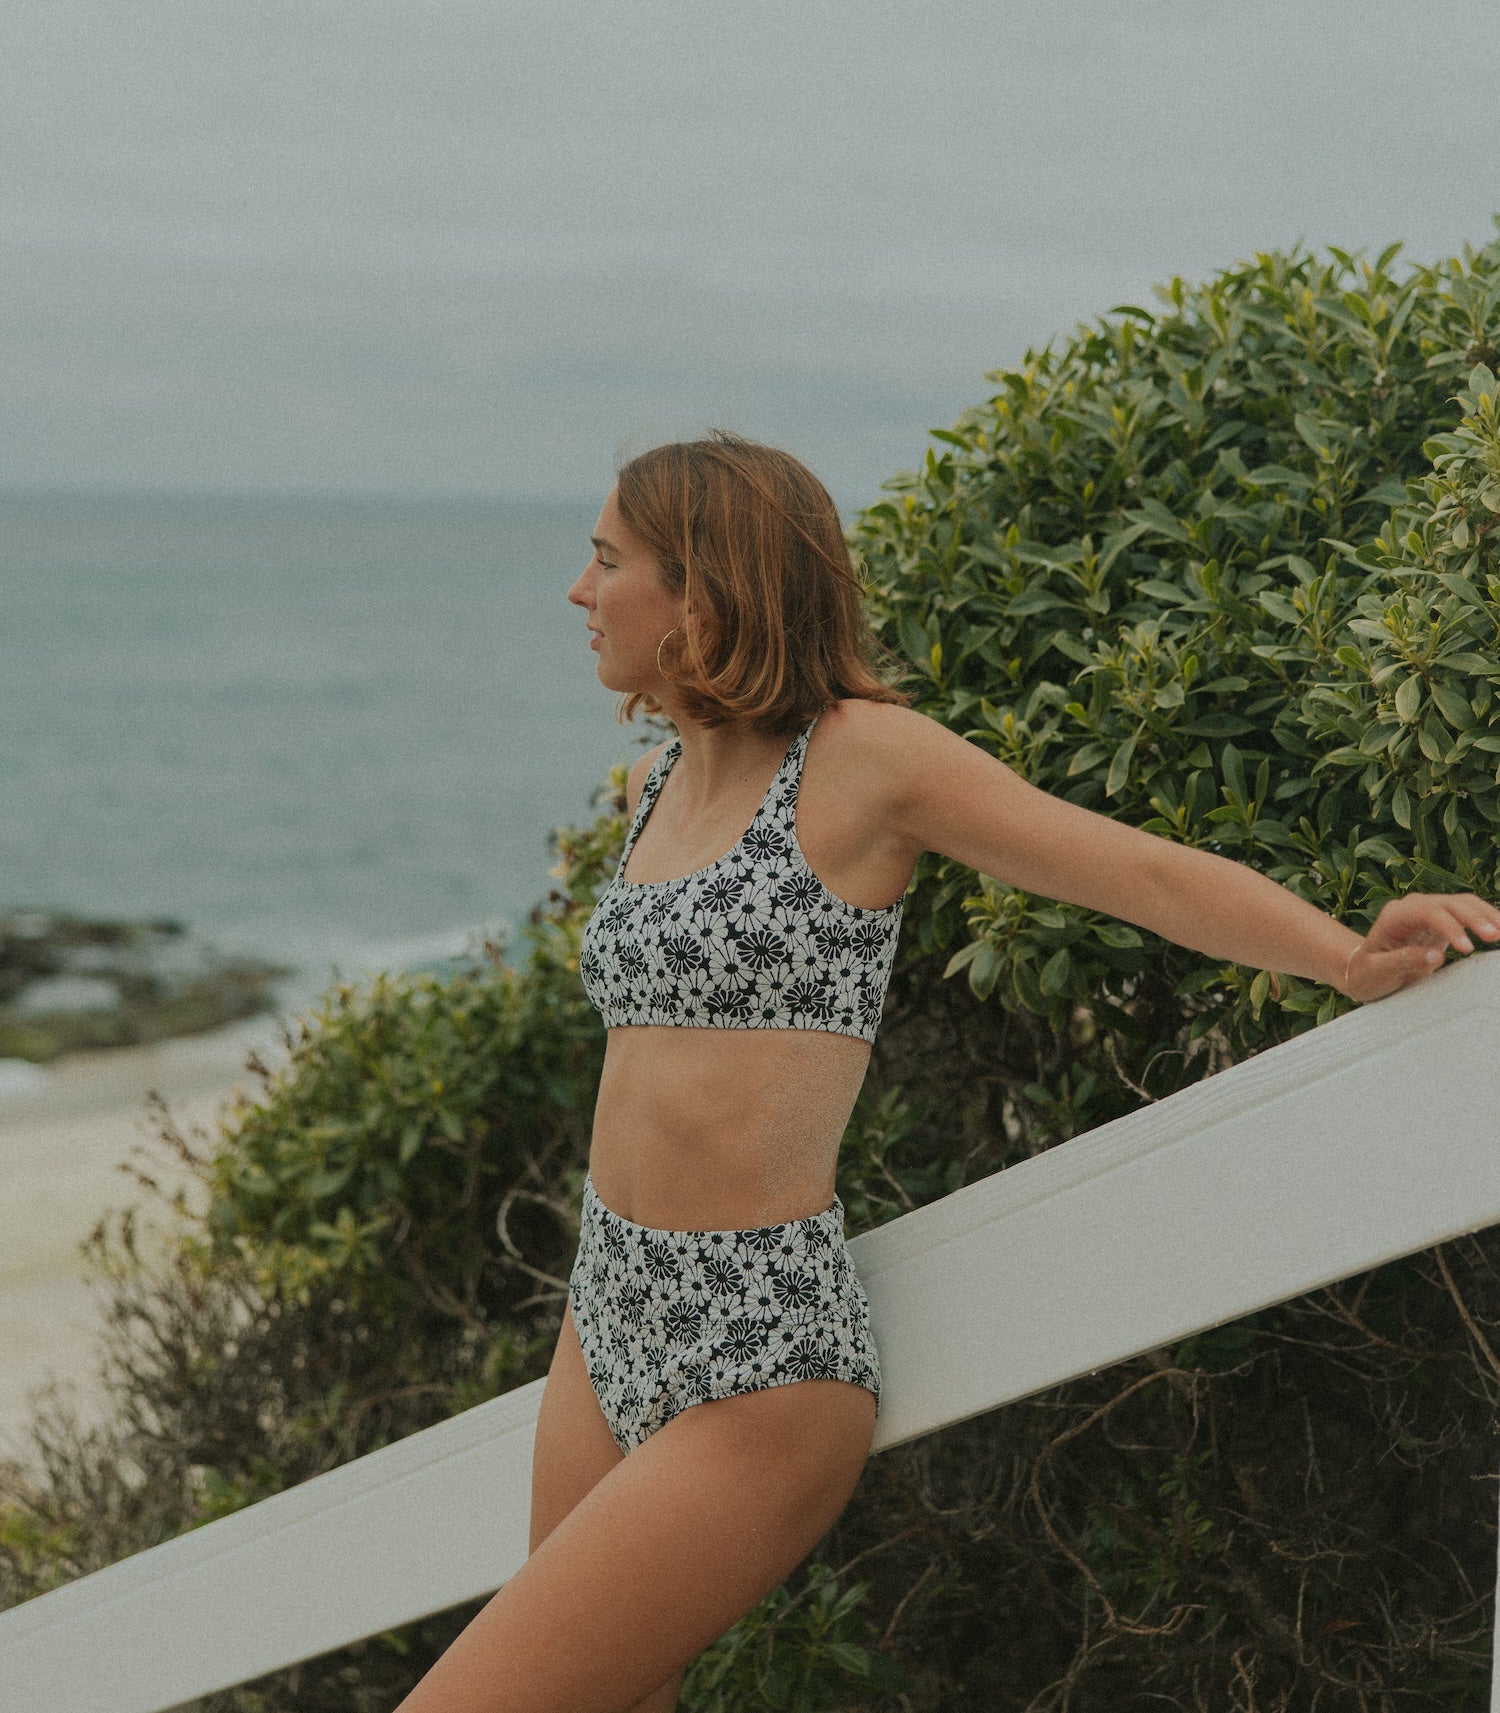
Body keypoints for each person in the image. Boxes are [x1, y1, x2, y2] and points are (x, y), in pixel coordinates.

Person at [399, 432, 1498, 1713]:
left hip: (759, 1349)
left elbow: (1126, 868)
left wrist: (1340, 954)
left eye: (606, 560)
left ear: (704, 587)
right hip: (608, 1312)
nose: (581, 592)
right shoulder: (656, 780)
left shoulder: (868, 760)